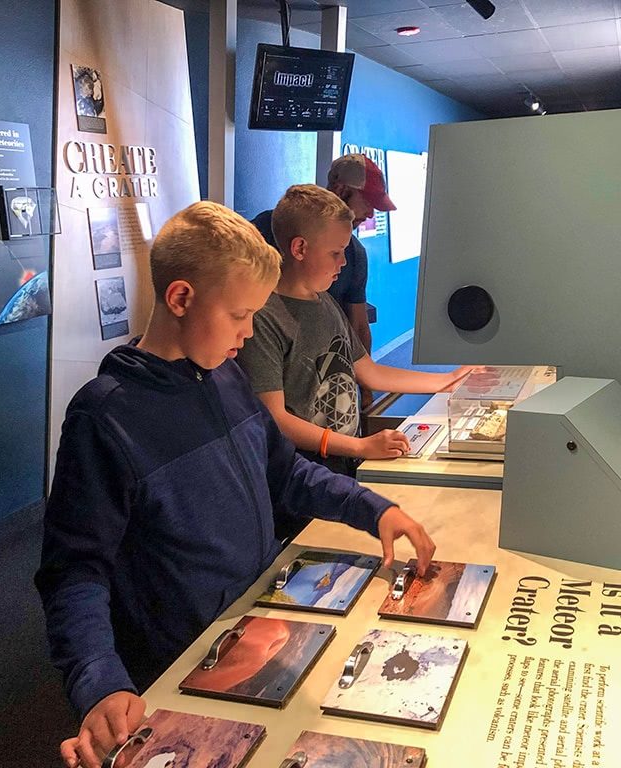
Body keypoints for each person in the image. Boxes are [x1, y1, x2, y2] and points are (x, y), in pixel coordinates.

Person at [35, 201, 436, 768]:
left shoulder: (226, 376)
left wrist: (371, 508)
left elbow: (286, 474)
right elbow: (74, 571)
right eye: (239, 315)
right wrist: (99, 681)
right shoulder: (105, 419)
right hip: (175, 659)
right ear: (180, 299)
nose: (249, 335)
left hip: (255, 625)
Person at [237, 184, 470, 482]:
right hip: (300, 474)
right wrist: (359, 445)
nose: (344, 262)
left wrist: (447, 380)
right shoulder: (265, 317)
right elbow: (276, 419)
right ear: (299, 249)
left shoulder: (327, 303)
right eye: (335, 253)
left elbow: (368, 372)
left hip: (340, 461)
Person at [250, 153, 391, 357]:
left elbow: (359, 325)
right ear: (298, 248)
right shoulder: (262, 230)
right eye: (368, 202)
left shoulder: (355, 256)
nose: (371, 214)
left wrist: (366, 388)